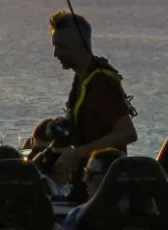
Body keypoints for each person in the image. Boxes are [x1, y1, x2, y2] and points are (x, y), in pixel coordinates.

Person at [46, 11, 138, 186]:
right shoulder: (81, 78)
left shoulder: (101, 82)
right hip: (84, 177)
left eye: (61, 46)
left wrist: (77, 153)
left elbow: (127, 133)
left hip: (104, 182)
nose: (56, 53)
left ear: (80, 44)